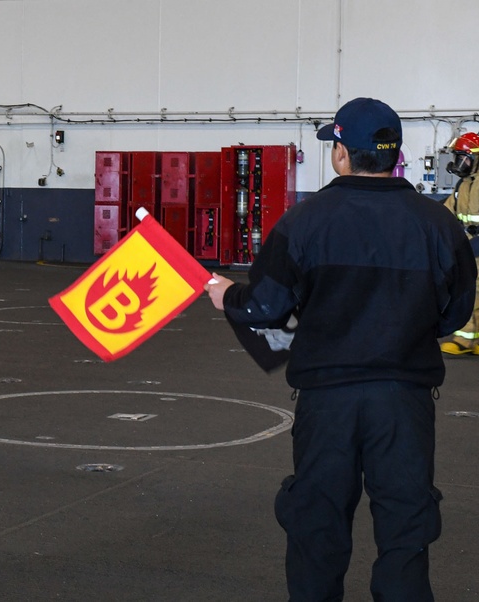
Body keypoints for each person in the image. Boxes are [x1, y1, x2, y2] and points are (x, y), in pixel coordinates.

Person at [205, 98, 477, 601]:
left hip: (326, 401)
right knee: (405, 529)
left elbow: (265, 308)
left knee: (317, 524)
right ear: (394, 154)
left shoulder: (305, 221)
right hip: (404, 400)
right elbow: (457, 313)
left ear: (342, 155)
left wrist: (229, 297)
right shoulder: (438, 224)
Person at [440, 131, 479, 355]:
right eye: (458, 158)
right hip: (469, 247)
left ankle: (465, 340)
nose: (460, 163)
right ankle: (473, 339)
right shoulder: (463, 186)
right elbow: (447, 211)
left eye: (464, 158)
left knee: (473, 293)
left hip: (475, 247)